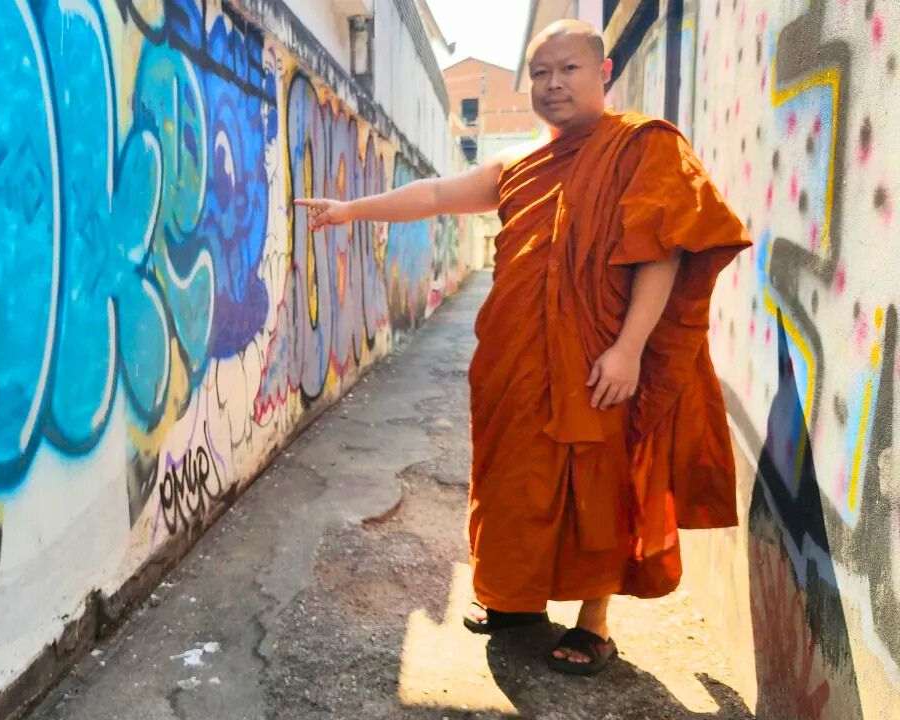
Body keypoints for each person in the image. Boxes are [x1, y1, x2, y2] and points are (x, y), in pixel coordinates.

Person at [295, 19, 749, 675]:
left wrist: (628, 350)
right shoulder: (520, 165)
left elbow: (665, 255)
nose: (552, 84)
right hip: (513, 357)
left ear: (604, 73)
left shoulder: (640, 147)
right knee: (511, 481)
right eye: (540, 73)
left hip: (598, 357)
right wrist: (350, 209)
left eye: (568, 69)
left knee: (595, 483)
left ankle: (594, 624)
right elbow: (434, 194)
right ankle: (515, 598)